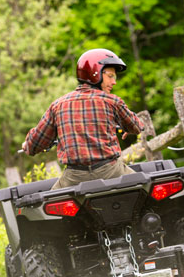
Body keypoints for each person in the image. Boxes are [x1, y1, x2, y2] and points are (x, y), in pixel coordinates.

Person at [23, 48, 144, 189]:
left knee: (50, 203)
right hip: (112, 172)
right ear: (95, 73)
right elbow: (137, 126)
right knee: (143, 189)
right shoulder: (112, 102)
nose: (114, 82)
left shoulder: (58, 105)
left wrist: (27, 145)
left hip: (74, 178)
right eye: (110, 76)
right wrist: (126, 127)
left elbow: (36, 143)